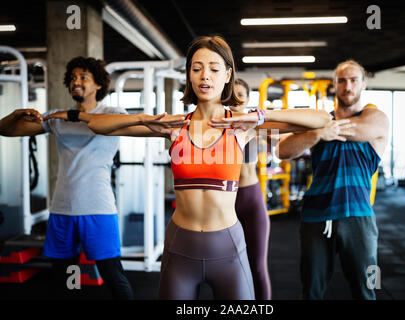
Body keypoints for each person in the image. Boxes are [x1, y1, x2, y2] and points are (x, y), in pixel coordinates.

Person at [86, 35, 331, 300]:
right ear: (189, 76)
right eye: (197, 68)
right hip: (180, 247)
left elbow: (321, 119)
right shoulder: (174, 125)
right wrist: (143, 118)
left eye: (214, 69)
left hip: (228, 249)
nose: (205, 76)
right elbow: (96, 125)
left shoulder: (243, 125)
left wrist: (261, 115)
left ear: (227, 75)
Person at [1, 57, 184, 300]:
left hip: (97, 208)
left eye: (83, 77)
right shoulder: (56, 118)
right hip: (62, 209)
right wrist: (17, 113)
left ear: (98, 85)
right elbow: (5, 129)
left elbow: (101, 125)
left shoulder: (112, 113)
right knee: (64, 278)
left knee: (112, 275)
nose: (77, 82)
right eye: (73, 78)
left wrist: (72, 115)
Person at [276, 59, 389, 300]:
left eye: (353, 80)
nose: (348, 86)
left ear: (363, 84)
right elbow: (282, 150)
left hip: (359, 216)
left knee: (367, 290)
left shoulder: (376, 119)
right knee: (311, 292)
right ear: (334, 85)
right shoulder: (318, 124)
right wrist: (317, 134)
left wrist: (322, 127)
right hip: (316, 216)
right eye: (342, 81)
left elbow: (359, 130)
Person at [229, 78, 271, 300]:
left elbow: (284, 135)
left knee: (257, 266)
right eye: (232, 95)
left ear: (248, 99)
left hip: (252, 198)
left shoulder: (258, 126)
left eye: (241, 96)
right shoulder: (219, 126)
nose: (236, 101)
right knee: (230, 268)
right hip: (227, 202)